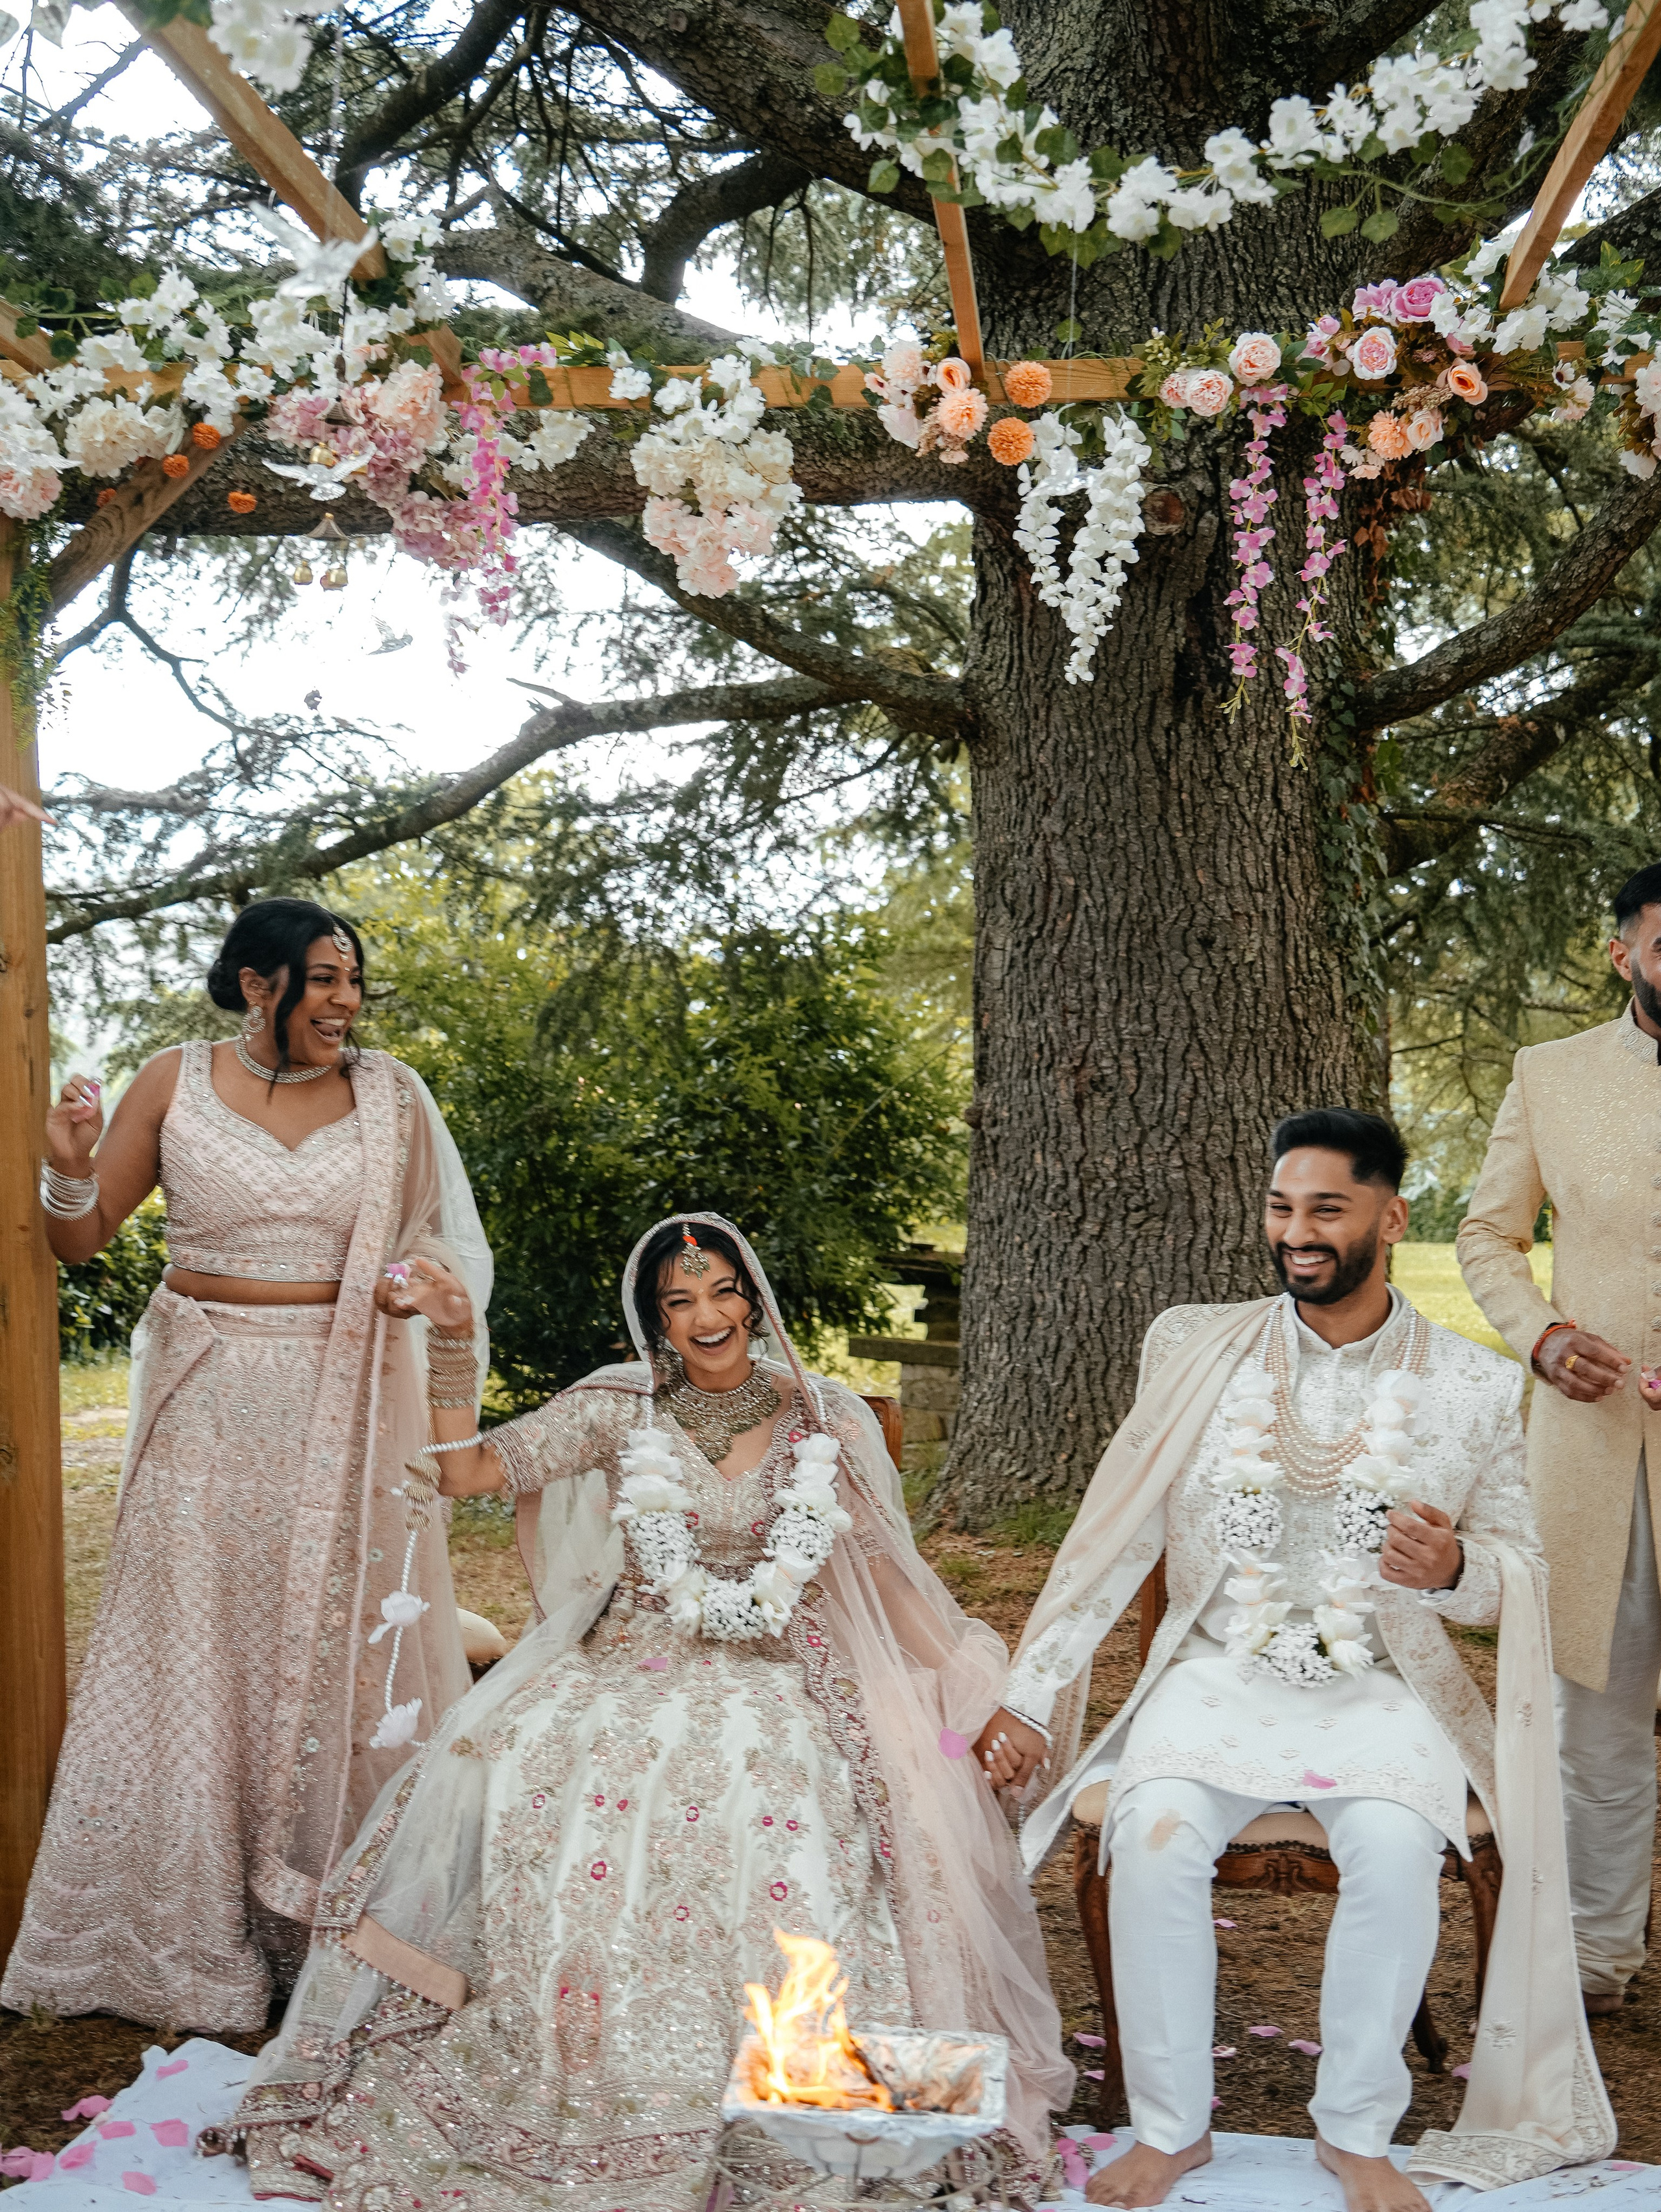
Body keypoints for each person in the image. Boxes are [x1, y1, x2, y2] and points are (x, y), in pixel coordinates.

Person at [231, 1212, 1072, 2211]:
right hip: (631, 1653)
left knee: (780, 1773)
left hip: (781, 1662)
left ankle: (807, 2084)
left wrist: (983, 1699)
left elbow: (888, 1582)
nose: (706, 1314)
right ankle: (598, 2065)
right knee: (554, 1758)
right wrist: (452, 1338)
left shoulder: (824, 1422)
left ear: (752, 1300)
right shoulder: (621, 1415)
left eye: (721, 1290)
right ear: (657, 1323)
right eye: (680, 1300)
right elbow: (464, 1473)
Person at [974, 1110, 1611, 2212]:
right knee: (1157, 1833)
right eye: (1282, 1207)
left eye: (1326, 1208)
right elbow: (1114, 1535)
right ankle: (1172, 2129)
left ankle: (1357, 2130)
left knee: (1397, 1851)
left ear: (1390, 1216)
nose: (1298, 1232)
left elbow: (1525, 1570)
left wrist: (1458, 1564)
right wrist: (1032, 1693)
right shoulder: (1193, 1345)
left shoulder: (1468, 1383)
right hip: (1217, 1677)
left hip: (1385, 1688)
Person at [1, 896, 491, 2032]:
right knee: (197, 1647)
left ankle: (332, 1915)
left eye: (355, 981)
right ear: (258, 983)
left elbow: (434, 1250)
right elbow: (83, 1236)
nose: (347, 1002)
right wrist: (64, 1167)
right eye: (324, 979)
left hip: (350, 1394)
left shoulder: (392, 1097)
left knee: (328, 1638)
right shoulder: (171, 1080)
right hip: (208, 1399)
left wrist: (419, 1291)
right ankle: (175, 1927)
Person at [1458, 860, 1661, 2015]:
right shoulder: (1552, 1075)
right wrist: (1538, 1337)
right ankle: (1596, 1958)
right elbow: (1487, 1235)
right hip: (1596, 1449)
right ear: (1625, 954)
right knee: (1600, 1708)